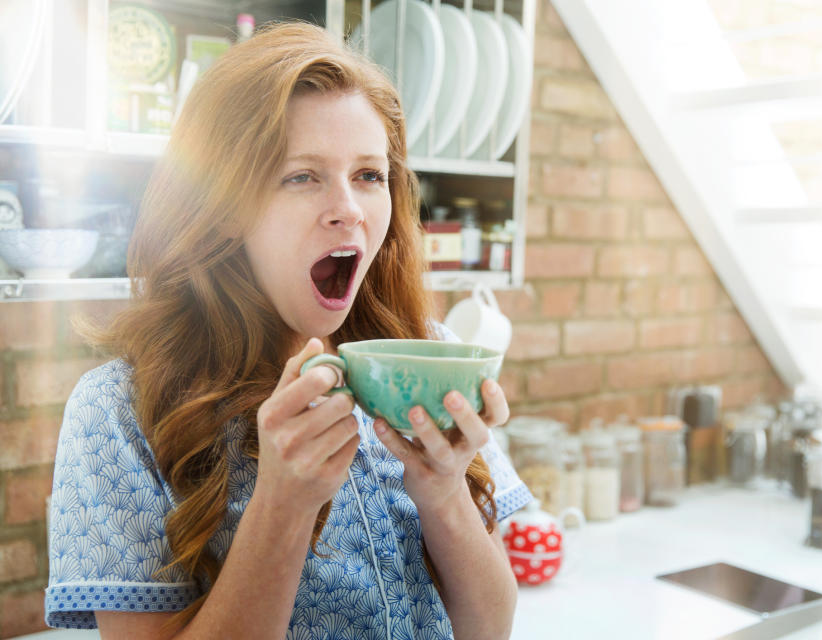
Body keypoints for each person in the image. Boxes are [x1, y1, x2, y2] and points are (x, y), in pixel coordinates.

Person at [45, 21, 531, 640]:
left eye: (369, 175)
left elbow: (490, 628)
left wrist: (444, 493)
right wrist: (283, 505)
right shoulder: (118, 410)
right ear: (223, 206)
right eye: (302, 176)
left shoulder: (428, 357)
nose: (349, 209)